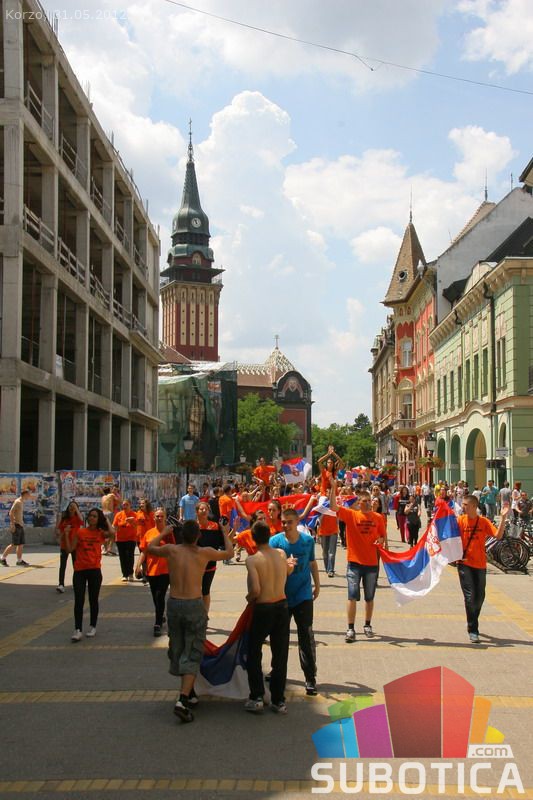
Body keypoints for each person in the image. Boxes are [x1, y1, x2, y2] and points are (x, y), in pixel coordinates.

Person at [147, 519, 234, 723]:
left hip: (174, 604)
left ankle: (190, 691)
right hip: (194, 604)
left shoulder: (171, 550)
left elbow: (150, 547)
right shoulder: (204, 552)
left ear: (180, 535)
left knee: (178, 648)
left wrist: (164, 532)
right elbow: (229, 553)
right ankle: (183, 699)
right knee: (193, 650)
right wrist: (224, 532)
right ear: (198, 536)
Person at [245, 520, 294, 715]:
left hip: (263, 607)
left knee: (254, 651)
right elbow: (287, 571)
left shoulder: (252, 560)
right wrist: (291, 565)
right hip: (282, 605)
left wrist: (249, 598)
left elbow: (256, 590)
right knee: (280, 654)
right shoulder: (281, 554)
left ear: (253, 538)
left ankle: (257, 696)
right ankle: (278, 700)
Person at [270, 507, 320, 696]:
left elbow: (312, 563)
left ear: (297, 522)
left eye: (289, 522)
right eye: (283, 522)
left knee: (305, 636)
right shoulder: (275, 541)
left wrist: (317, 585)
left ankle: (310, 677)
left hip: (303, 595)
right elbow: (269, 566)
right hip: (281, 596)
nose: (285, 525)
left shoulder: (307, 541)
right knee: (279, 638)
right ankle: (277, 673)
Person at [329, 482, 386, 642]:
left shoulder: (378, 518)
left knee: (369, 597)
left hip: (371, 564)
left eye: (369, 500)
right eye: (364, 501)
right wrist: (333, 488)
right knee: (352, 596)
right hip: (354, 563)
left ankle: (367, 625)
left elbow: (382, 536)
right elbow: (333, 507)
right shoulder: (351, 515)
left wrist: (380, 541)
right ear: (358, 503)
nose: (368, 503)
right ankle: (350, 628)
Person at [456, 496, 508, 643]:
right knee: (470, 596)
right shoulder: (460, 520)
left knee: (479, 597)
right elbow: (449, 538)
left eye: (465, 504)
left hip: (480, 564)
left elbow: (498, 535)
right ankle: (473, 630)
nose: (463, 506)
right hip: (464, 563)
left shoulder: (483, 521)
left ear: (474, 506)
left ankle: (472, 619)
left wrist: (503, 518)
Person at [64, 508, 114, 641]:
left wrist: (106, 520)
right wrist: (66, 535)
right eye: (90, 516)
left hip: (94, 570)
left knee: (93, 599)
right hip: (80, 570)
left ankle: (93, 626)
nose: (92, 518)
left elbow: (112, 533)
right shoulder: (80, 532)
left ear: (98, 519)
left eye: (95, 516)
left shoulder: (100, 533)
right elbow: (70, 549)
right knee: (79, 600)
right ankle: (77, 629)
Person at [135, 508, 175, 636]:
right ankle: (160, 614)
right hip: (151, 570)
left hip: (165, 570)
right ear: (154, 518)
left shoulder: (170, 533)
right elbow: (144, 551)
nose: (159, 518)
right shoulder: (149, 533)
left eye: (162, 516)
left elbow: (175, 550)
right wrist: (138, 566)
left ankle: (157, 623)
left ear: (165, 517)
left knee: (159, 595)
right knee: (155, 597)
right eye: (157, 516)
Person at [196, 501, 225, 613]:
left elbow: (222, 542)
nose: (204, 511)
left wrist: (227, 530)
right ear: (197, 511)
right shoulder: (193, 526)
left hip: (210, 565)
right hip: (195, 565)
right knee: (195, 591)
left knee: (205, 591)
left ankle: (205, 615)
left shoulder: (215, 526)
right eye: (201, 509)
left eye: (206, 509)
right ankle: (197, 614)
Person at [55, 501, 84, 592]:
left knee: (76, 565)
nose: (72, 508)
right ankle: (61, 584)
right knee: (62, 565)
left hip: (75, 545)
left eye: (74, 507)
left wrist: (76, 509)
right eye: (70, 506)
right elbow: (58, 530)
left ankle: (76, 583)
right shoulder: (64, 518)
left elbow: (82, 520)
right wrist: (62, 531)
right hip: (64, 545)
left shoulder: (77, 518)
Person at [1, 489, 31, 567]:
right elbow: (11, 512)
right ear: (25, 494)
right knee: (14, 544)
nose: (29, 496)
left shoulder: (21, 502)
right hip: (16, 525)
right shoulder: (17, 502)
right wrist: (12, 524)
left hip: (20, 525)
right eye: (28, 494)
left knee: (21, 544)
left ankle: (19, 560)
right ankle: (2, 558)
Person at [113, 500, 138, 582]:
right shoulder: (119, 514)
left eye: (126, 505)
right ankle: (124, 574)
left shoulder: (134, 514)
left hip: (131, 538)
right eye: (123, 505)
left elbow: (137, 526)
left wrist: (132, 521)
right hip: (120, 539)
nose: (125, 506)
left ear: (130, 505)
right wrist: (114, 532)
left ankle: (130, 573)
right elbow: (114, 525)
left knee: (130, 556)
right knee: (122, 557)